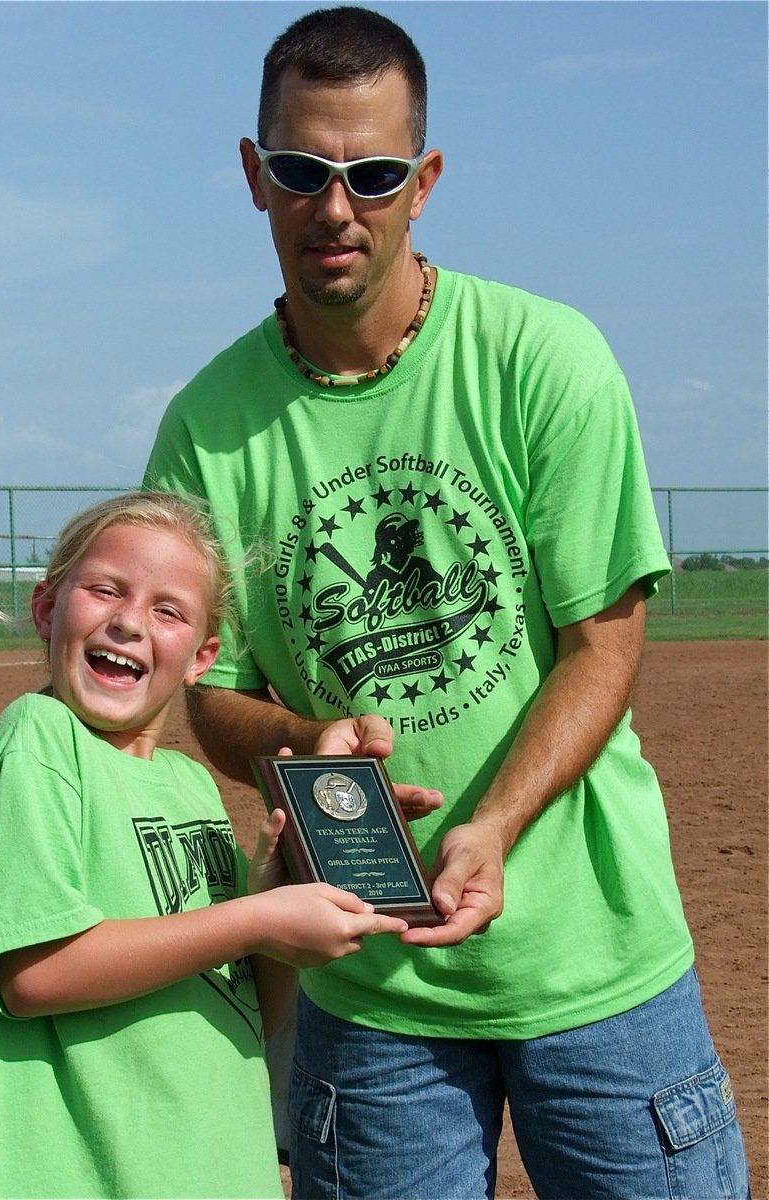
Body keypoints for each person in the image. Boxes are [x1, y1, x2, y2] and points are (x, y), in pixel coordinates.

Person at [143, 8, 751, 1198]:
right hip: (367, 987)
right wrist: (302, 743)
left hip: (596, 966)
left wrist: (498, 825)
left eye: (371, 174)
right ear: (253, 175)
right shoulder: (207, 431)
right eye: (302, 171)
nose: (335, 207)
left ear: (422, 183)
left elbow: (602, 643)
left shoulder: (544, 359)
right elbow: (212, 694)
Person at [0, 490, 409, 1200]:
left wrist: (282, 892)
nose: (128, 621)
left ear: (203, 656)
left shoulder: (188, 784)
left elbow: (253, 1005)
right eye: (105, 589)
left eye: (167, 610)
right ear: (48, 610)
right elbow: (33, 975)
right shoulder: (39, 741)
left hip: (221, 1169)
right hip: (112, 1179)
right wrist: (255, 919)